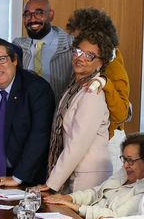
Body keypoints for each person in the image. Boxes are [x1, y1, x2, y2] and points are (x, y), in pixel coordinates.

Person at [0, 38, 55, 187]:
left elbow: (40, 136)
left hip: (28, 179)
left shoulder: (37, 89)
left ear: (14, 60)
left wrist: (17, 178)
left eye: (2, 59)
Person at [41, 28, 116, 194]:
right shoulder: (74, 87)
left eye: (89, 55)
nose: (80, 58)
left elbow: (77, 145)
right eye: (78, 51)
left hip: (88, 176)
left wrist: (52, 183)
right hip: (72, 172)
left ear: (101, 62)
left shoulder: (92, 93)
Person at [66, 7, 130, 170]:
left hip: (108, 146)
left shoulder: (113, 65)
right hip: (88, 143)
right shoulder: (82, 60)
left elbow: (122, 112)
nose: (77, 43)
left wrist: (105, 83)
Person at [45, 133, 144, 219]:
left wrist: (77, 207)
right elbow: (95, 192)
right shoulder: (123, 173)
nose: (125, 165)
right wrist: (67, 198)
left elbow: (115, 216)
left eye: (130, 160)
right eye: (124, 159)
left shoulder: (141, 193)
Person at [13, 0, 73, 104]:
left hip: (59, 116)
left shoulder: (71, 45)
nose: (32, 18)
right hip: (27, 117)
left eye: (39, 12)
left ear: (50, 15)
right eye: (27, 14)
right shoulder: (17, 46)